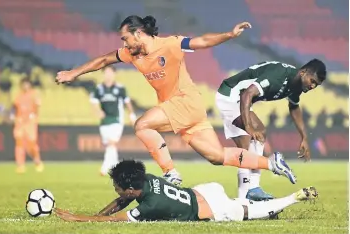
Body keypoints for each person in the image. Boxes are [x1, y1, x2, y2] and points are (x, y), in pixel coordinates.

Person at [55, 15, 296, 185]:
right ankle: (272, 163)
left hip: (184, 101)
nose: (123, 43)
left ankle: (170, 172)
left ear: (139, 33)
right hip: (186, 111)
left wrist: (229, 35)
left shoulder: (169, 44)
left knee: (142, 125)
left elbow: (200, 42)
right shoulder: (132, 53)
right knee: (217, 157)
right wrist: (73, 73)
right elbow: (103, 60)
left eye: (125, 38)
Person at [55, 160, 318, 222]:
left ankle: (294, 197)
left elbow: (115, 220)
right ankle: (255, 198)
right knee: (241, 204)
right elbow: (121, 201)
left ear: (132, 188)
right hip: (205, 191)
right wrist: (96, 212)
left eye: (118, 186)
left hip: (212, 208)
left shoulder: (150, 207)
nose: (116, 189)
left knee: (252, 212)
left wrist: (78, 218)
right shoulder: (145, 179)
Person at [215, 60, 326, 201]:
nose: (312, 86)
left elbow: (294, 107)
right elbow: (247, 94)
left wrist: (304, 137)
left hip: (241, 100)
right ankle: (251, 192)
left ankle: (247, 196)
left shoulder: (297, 84)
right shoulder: (278, 77)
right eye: (312, 81)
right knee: (255, 136)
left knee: (247, 148)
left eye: (316, 84)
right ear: (303, 72)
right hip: (230, 95)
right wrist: (248, 126)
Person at [90, 65, 137, 176]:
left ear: (114, 74)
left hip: (117, 120)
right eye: (106, 73)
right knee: (110, 146)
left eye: (110, 72)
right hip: (104, 121)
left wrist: (132, 116)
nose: (108, 75)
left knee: (112, 142)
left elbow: (127, 103)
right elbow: (93, 102)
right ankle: (117, 168)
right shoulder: (99, 89)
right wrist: (98, 111)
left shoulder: (120, 88)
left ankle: (104, 168)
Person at [12, 78, 43, 173]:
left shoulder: (34, 94)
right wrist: (13, 116)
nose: (25, 86)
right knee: (19, 143)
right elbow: (14, 107)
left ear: (30, 85)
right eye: (23, 84)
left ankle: (37, 160)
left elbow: (37, 105)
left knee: (32, 144)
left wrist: (33, 114)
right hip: (20, 122)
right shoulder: (19, 95)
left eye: (27, 84)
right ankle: (20, 165)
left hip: (30, 122)